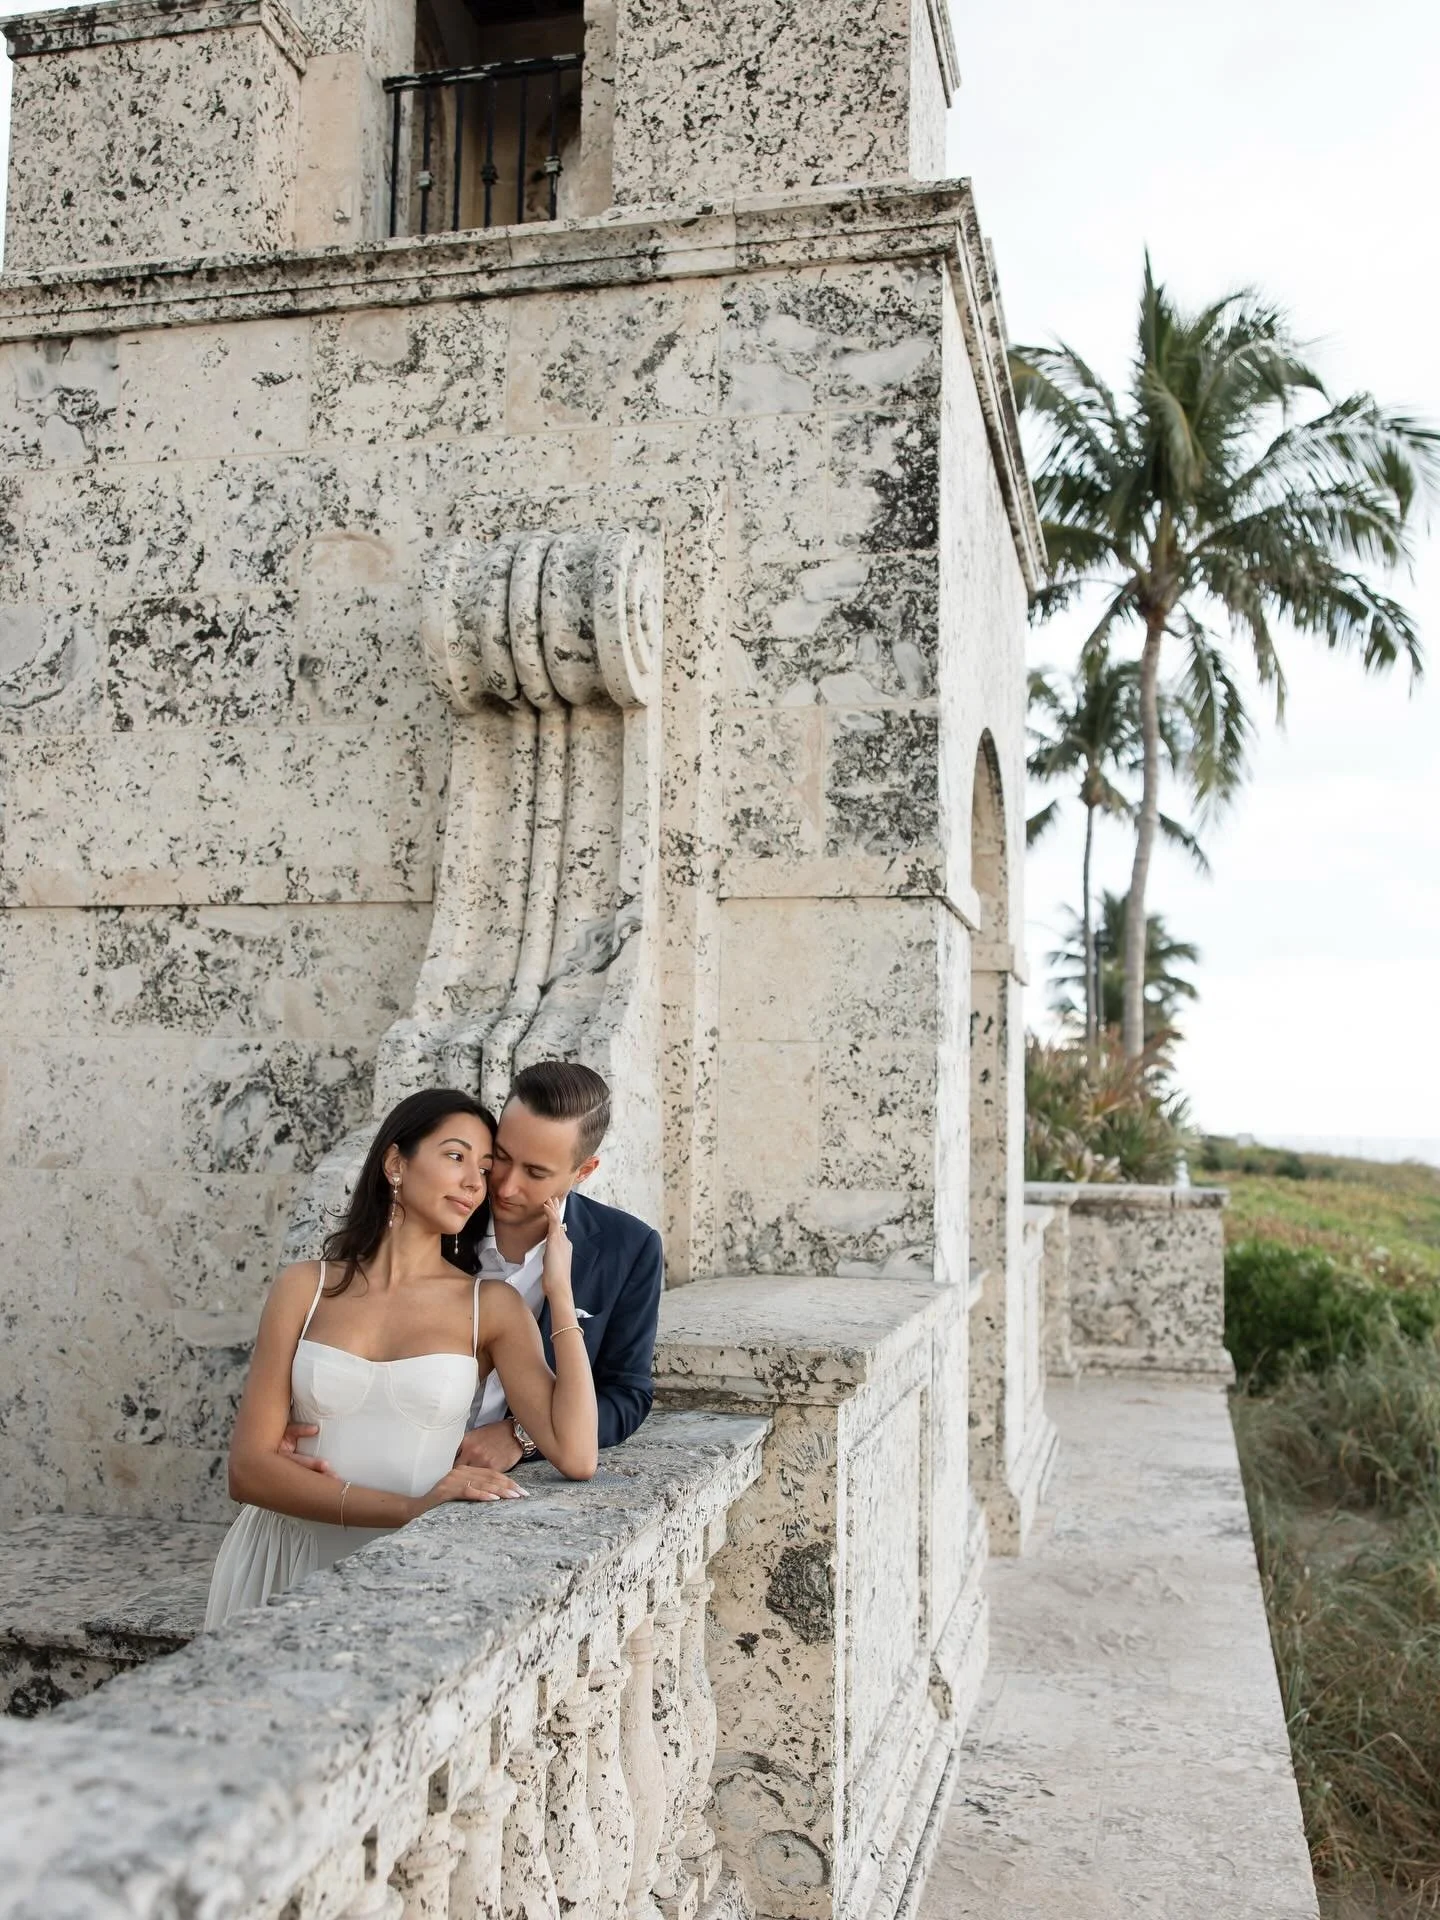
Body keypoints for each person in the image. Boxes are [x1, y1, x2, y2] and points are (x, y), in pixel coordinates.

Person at [205, 1088, 597, 1630]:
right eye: (456, 1157)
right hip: (278, 1562)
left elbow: (577, 1455)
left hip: (405, 1575)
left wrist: (559, 1291)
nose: (474, 1183)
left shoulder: (491, 1307)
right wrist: (411, 1508)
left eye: (483, 1169)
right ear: (395, 1162)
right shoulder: (304, 1288)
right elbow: (247, 1471)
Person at [284, 1061, 665, 1480]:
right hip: (365, 1470)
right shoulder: (441, 1206)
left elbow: (626, 1394)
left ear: (584, 1171)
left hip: (490, 1490)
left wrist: (520, 1436)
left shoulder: (628, 1248)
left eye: (536, 1172)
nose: (504, 1187)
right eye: (500, 1157)